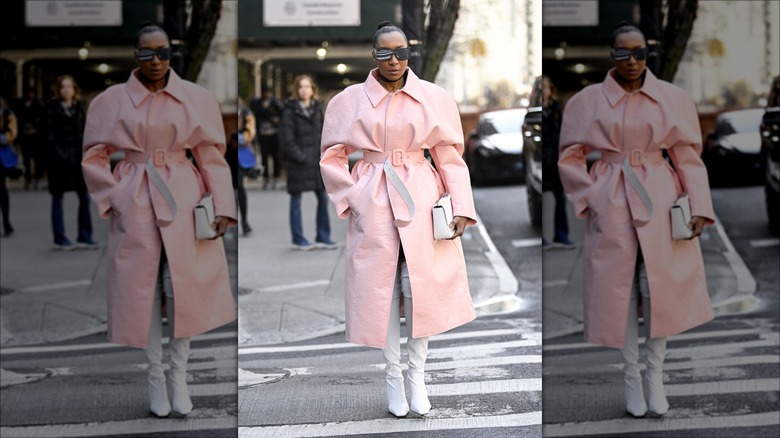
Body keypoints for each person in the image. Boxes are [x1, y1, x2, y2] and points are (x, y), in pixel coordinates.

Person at [557, 22, 715, 418]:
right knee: (619, 290)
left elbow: (687, 157)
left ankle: (655, 377)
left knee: (658, 287)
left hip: (660, 195)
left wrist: (698, 206)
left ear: (649, 54)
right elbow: (569, 155)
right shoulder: (587, 101)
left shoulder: (671, 98)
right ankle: (630, 377)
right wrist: (589, 196)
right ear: (612, 55)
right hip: (611, 197)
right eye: (624, 53)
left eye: (639, 52)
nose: (633, 61)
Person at [320, 21, 477, 417]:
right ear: (373, 55)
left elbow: (449, 157)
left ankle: (417, 378)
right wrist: (351, 195)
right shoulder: (348, 100)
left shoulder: (434, 97)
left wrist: (460, 206)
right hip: (372, 197)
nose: (394, 60)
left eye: (401, 52)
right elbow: (331, 156)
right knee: (381, 292)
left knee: (419, 288)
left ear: (411, 52)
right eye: (385, 53)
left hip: (422, 196)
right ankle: (393, 378)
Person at [81, 22, 237, 418]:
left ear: (172, 53)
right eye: (147, 53)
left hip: (184, 195)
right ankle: (154, 376)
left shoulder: (195, 98)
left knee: (181, 286)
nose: (156, 61)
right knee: (142, 289)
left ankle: (178, 376)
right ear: (136, 55)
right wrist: (112, 196)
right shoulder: (111, 100)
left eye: (163, 52)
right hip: (134, 196)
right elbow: (93, 155)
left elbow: (212, 157)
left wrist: (222, 205)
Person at [279, 74, 336, 250]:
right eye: (301, 87)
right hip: (299, 163)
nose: (304, 90)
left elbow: (325, 133)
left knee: (322, 198)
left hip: (317, 162)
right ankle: (298, 238)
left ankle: (323, 236)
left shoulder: (318, 110)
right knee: (296, 199)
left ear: (313, 89)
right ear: (296, 90)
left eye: (307, 86)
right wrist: (301, 157)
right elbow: (286, 140)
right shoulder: (289, 111)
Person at [45, 75, 97, 250]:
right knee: (57, 199)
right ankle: (60, 238)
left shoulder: (80, 108)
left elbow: (85, 132)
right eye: (62, 87)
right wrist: (61, 156)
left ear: (74, 89)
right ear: (58, 90)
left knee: (84, 198)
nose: (66, 90)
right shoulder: (51, 109)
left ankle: (85, 235)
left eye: (69, 87)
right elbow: (49, 137)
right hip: (59, 162)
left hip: (78, 160)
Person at [540, 75, 573, 250]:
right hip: (541, 161)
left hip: (556, 160)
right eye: (540, 87)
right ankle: (542, 239)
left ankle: (561, 235)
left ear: (550, 89)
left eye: (545, 87)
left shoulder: (557, 109)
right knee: (541, 200)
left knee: (560, 198)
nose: (543, 90)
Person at [250, 85, 284, 190]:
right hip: (262, 133)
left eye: (268, 92)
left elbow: (282, 113)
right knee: (264, 157)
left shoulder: (276, 102)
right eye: (265, 92)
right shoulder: (257, 103)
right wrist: (269, 114)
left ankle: (276, 178)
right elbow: (258, 112)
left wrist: (275, 119)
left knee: (276, 157)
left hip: (275, 134)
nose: (267, 94)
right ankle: (265, 179)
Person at [14, 89, 47, 190]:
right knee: (26, 159)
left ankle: (37, 178)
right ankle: (28, 179)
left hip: (37, 137)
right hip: (25, 137)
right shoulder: (20, 104)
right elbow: (18, 119)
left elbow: (43, 120)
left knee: (37, 159)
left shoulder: (39, 104)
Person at [0, 97, 18, 236]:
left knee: (2, 189)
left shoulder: (6, 112)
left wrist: (5, 137)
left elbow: (12, 132)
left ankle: (6, 221)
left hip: (2, 155)